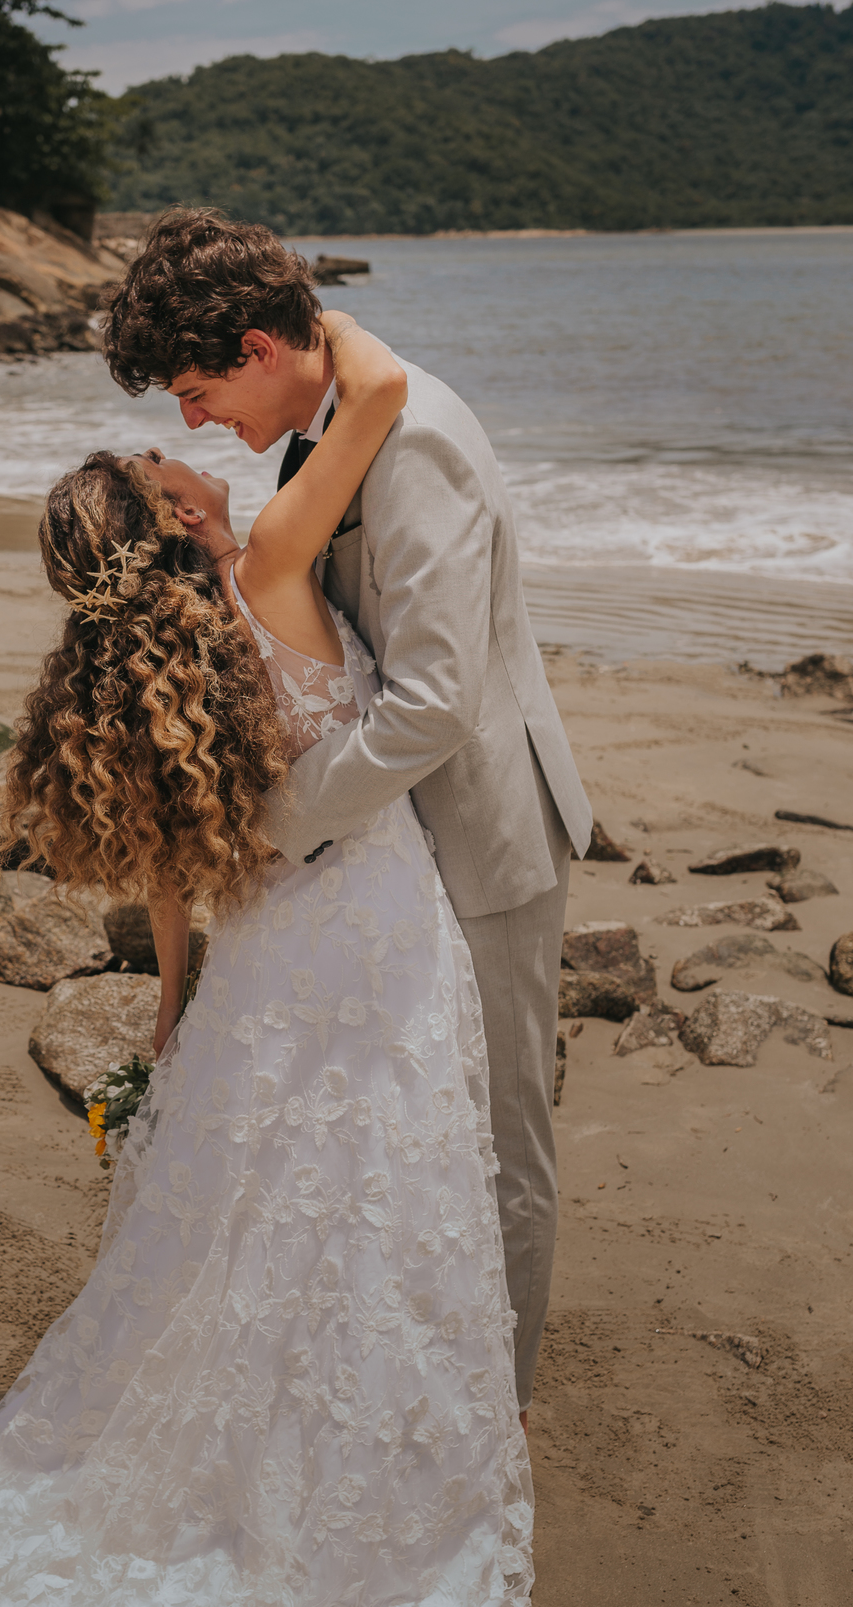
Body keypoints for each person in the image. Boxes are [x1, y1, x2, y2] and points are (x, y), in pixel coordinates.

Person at [0, 311, 533, 1607]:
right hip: (374, 931)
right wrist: (299, 318)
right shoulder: (274, 568)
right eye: (172, 457)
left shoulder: (121, 680)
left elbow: (171, 883)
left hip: (264, 963)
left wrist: (174, 1020)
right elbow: (383, 389)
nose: (194, 443)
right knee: (379, 1198)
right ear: (176, 526)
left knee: (251, 1212)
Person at [102, 210, 592, 1425]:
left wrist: (278, 822)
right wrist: (231, 552)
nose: (193, 423)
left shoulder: (411, 439)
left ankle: (493, 1423)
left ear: (262, 347)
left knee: (496, 1141)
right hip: (395, 842)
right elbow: (338, 630)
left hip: (481, 835)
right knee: (408, 1134)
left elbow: (429, 706)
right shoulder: (329, 425)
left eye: (198, 390)